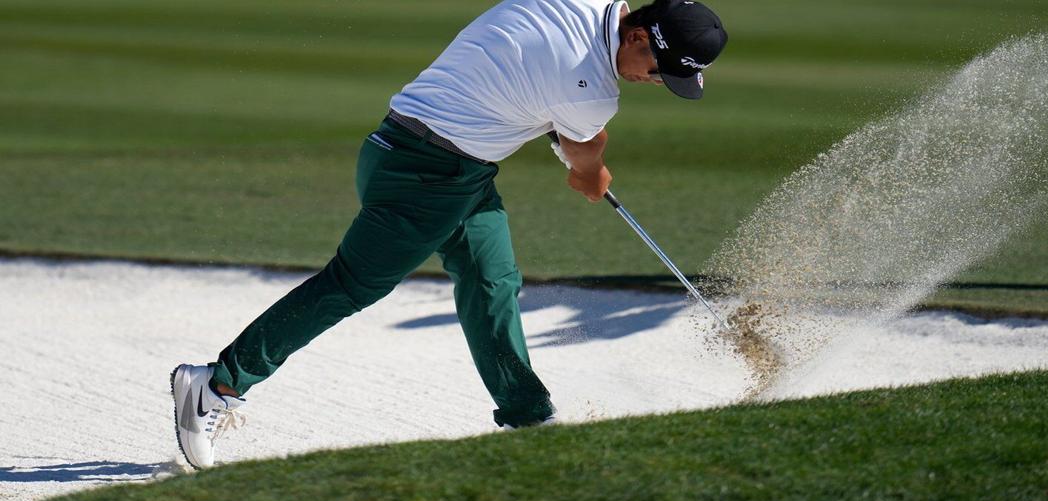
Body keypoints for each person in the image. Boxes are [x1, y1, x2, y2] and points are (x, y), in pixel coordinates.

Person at [169, 0, 728, 469]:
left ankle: (528, 416)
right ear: (636, 37)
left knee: (492, 281)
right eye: (659, 71)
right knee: (352, 285)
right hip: (425, 176)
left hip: (445, 165)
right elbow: (584, 162)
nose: (655, 83)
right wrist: (591, 175)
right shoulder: (593, 94)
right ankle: (218, 384)